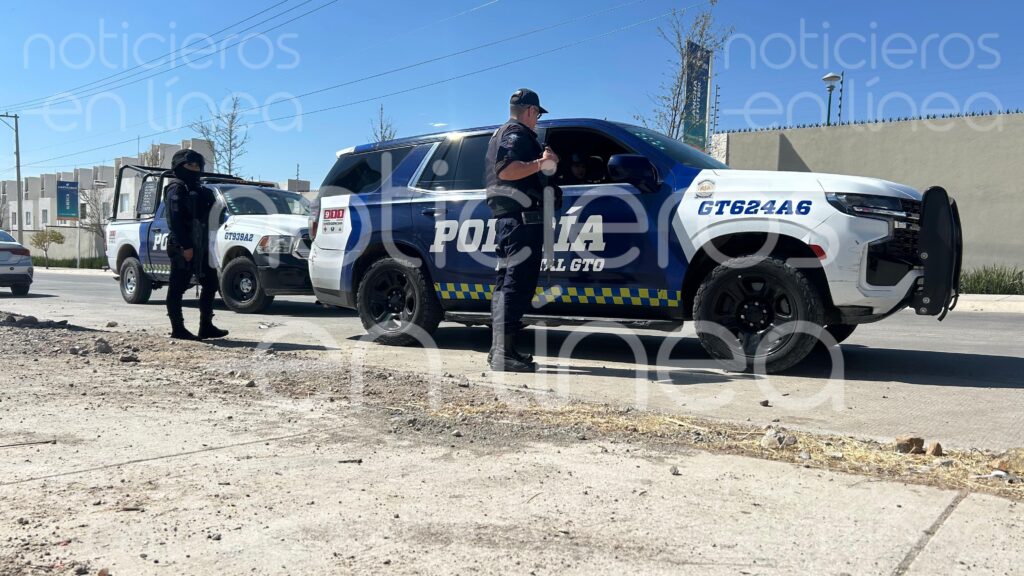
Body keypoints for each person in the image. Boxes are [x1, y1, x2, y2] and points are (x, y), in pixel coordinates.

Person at [484, 88, 559, 372]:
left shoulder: (502, 133)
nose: (537, 119)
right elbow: (506, 170)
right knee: (517, 284)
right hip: (520, 221)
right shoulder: (515, 133)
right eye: (537, 114)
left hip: (511, 220)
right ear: (530, 110)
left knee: (506, 285)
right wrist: (542, 163)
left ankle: (500, 349)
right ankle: (503, 353)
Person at [164, 149, 229, 341]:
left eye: (197, 166)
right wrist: (186, 246)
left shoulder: (201, 190)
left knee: (211, 283)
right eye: (189, 165)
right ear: (179, 166)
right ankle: (178, 329)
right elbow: (175, 220)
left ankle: (206, 326)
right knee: (178, 286)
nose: (194, 169)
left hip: (203, 246)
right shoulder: (176, 188)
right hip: (183, 246)